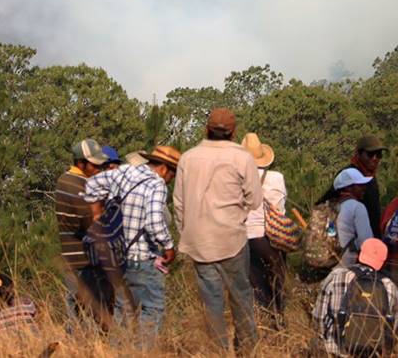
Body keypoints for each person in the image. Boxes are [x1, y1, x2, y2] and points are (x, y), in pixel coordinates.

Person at [174, 107, 263, 353]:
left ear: (206, 129)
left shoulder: (188, 158)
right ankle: (248, 350)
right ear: (233, 132)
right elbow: (255, 200)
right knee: (241, 297)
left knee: (211, 302)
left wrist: (188, 233)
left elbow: (179, 204)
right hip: (231, 239)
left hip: (199, 242)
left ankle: (219, 351)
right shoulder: (242, 158)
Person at [84, 145, 180, 347]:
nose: (170, 180)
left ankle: (116, 352)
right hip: (142, 259)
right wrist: (169, 246)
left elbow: (92, 183)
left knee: (123, 311)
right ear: (164, 169)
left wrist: (96, 214)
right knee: (152, 309)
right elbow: (154, 222)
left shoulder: (126, 171)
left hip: (119, 258)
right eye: (172, 175)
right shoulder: (156, 184)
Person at [56, 138, 112, 330]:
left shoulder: (68, 180)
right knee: (88, 311)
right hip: (82, 259)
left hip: (73, 256)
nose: (98, 168)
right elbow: (90, 222)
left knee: (77, 310)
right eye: (94, 164)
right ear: (81, 163)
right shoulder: (76, 183)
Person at [311, 238, 398, 357]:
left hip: (335, 352)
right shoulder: (390, 287)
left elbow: (318, 318)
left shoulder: (337, 276)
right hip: (372, 353)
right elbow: (392, 326)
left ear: (359, 254)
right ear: (383, 262)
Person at [242, 132, 287, 329]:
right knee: (277, 283)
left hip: (248, 238)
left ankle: (264, 323)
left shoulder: (240, 179)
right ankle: (279, 321)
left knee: (257, 285)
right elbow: (280, 208)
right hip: (272, 237)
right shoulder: (277, 178)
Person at [317, 135, 386, 237]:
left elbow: (374, 215)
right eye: (370, 154)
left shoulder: (370, 177)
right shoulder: (347, 176)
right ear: (359, 154)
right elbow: (328, 202)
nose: (375, 158)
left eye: (379, 154)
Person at [333, 168, 375, 267]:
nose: (364, 187)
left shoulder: (331, 206)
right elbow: (366, 242)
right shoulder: (357, 207)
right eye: (360, 185)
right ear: (349, 188)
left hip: (329, 262)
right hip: (347, 264)